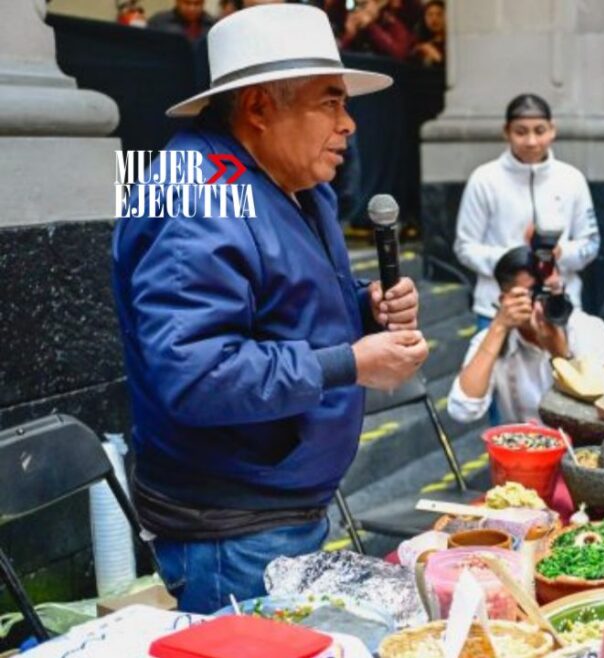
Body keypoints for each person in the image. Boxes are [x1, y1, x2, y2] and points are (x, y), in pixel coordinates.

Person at [112, 4, 428, 614]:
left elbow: (281, 304)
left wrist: (364, 308)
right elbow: (197, 373)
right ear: (258, 108)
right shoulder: (197, 200)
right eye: (330, 103)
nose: (350, 125)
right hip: (235, 532)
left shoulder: (290, 182)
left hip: (278, 510)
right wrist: (350, 363)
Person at [454, 93, 600, 329]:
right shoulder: (484, 179)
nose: (531, 141)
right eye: (521, 132)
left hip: (559, 306)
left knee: (562, 366)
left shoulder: (572, 179)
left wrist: (560, 253)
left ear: (552, 130)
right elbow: (465, 247)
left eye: (540, 131)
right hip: (498, 308)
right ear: (506, 132)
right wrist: (514, 263)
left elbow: (591, 244)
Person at [447, 246, 604, 425]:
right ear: (506, 301)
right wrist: (498, 327)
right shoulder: (492, 339)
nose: (544, 301)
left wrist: (560, 354)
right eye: (534, 294)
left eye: (552, 290)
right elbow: (462, 410)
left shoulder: (589, 329)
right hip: (525, 449)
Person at [146, 0, 214, 41]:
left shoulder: (213, 25)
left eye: (197, 3)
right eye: (187, 3)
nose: (192, 8)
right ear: (177, 1)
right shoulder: (158, 22)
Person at [412, 0, 445, 67]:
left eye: (439, 14)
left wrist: (435, 55)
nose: (434, 19)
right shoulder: (420, 44)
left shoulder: (451, 45)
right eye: (430, 15)